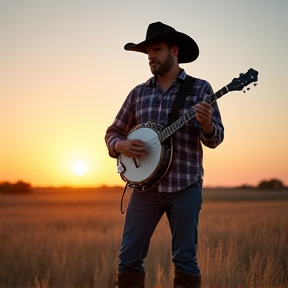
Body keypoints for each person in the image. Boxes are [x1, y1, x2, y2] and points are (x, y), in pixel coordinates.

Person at [105, 21, 224, 288]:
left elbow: (216, 138)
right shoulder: (138, 93)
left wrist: (205, 124)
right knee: (128, 259)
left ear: (174, 50)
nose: (150, 57)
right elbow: (113, 131)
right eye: (147, 53)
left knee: (185, 260)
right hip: (144, 189)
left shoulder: (200, 89)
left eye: (156, 50)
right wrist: (120, 146)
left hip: (185, 186)